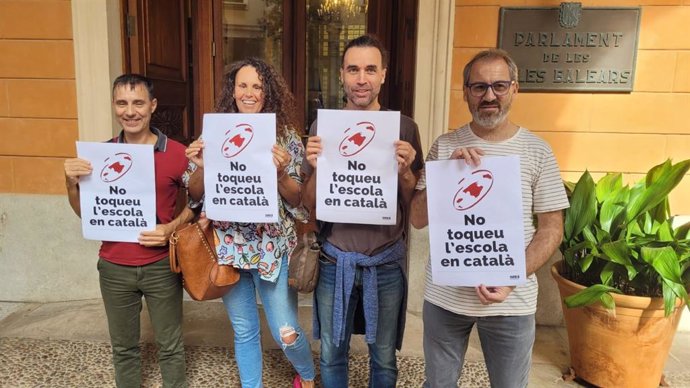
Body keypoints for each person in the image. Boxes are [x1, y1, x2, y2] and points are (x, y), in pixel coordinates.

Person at [409, 49, 569, 388]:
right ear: (466, 92)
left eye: (498, 85)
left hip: (512, 300)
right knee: (438, 384)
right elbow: (417, 219)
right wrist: (444, 174)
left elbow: (552, 228)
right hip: (446, 297)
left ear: (514, 88)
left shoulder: (537, 150)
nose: (489, 95)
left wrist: (513, 276)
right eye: (479, 87)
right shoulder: (444, 145)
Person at [184, 57, 315, 388]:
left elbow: (298, 199)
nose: (249, 93)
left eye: (257, 86)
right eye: (243, 85)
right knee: (244, 329)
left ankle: (309, 374)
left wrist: (281, 172)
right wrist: (200, 166)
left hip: (270, 248)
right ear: (232, 90)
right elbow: (194, 192)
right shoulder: (214, 134)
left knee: (286, 330)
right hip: (229, 246)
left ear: (267, 92)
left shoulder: (285, 138)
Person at [302, 34, 425, 388]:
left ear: (383, 75)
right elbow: (310, 203)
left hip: (385, 262)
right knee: (330, 353)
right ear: (341, 74)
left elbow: (411, 206)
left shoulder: (405, 128)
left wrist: (405, 171)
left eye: (370, 69)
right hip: (333, 260)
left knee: (384, 358)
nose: (361, 79)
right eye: (353, 69)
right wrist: (316, 165)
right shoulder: (321, 128)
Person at [64, 74, 191, 388]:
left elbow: (200, 203)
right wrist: (71, 184)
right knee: (124, 348)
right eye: (122, 103)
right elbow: (87, 214)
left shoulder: (177, 153)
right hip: (114, 266)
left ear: (152, 106)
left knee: (171, 346)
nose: (130, 111)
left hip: (162, 264)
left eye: (138, 102)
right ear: (114, 106)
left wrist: (171, 228)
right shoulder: (99, 157)